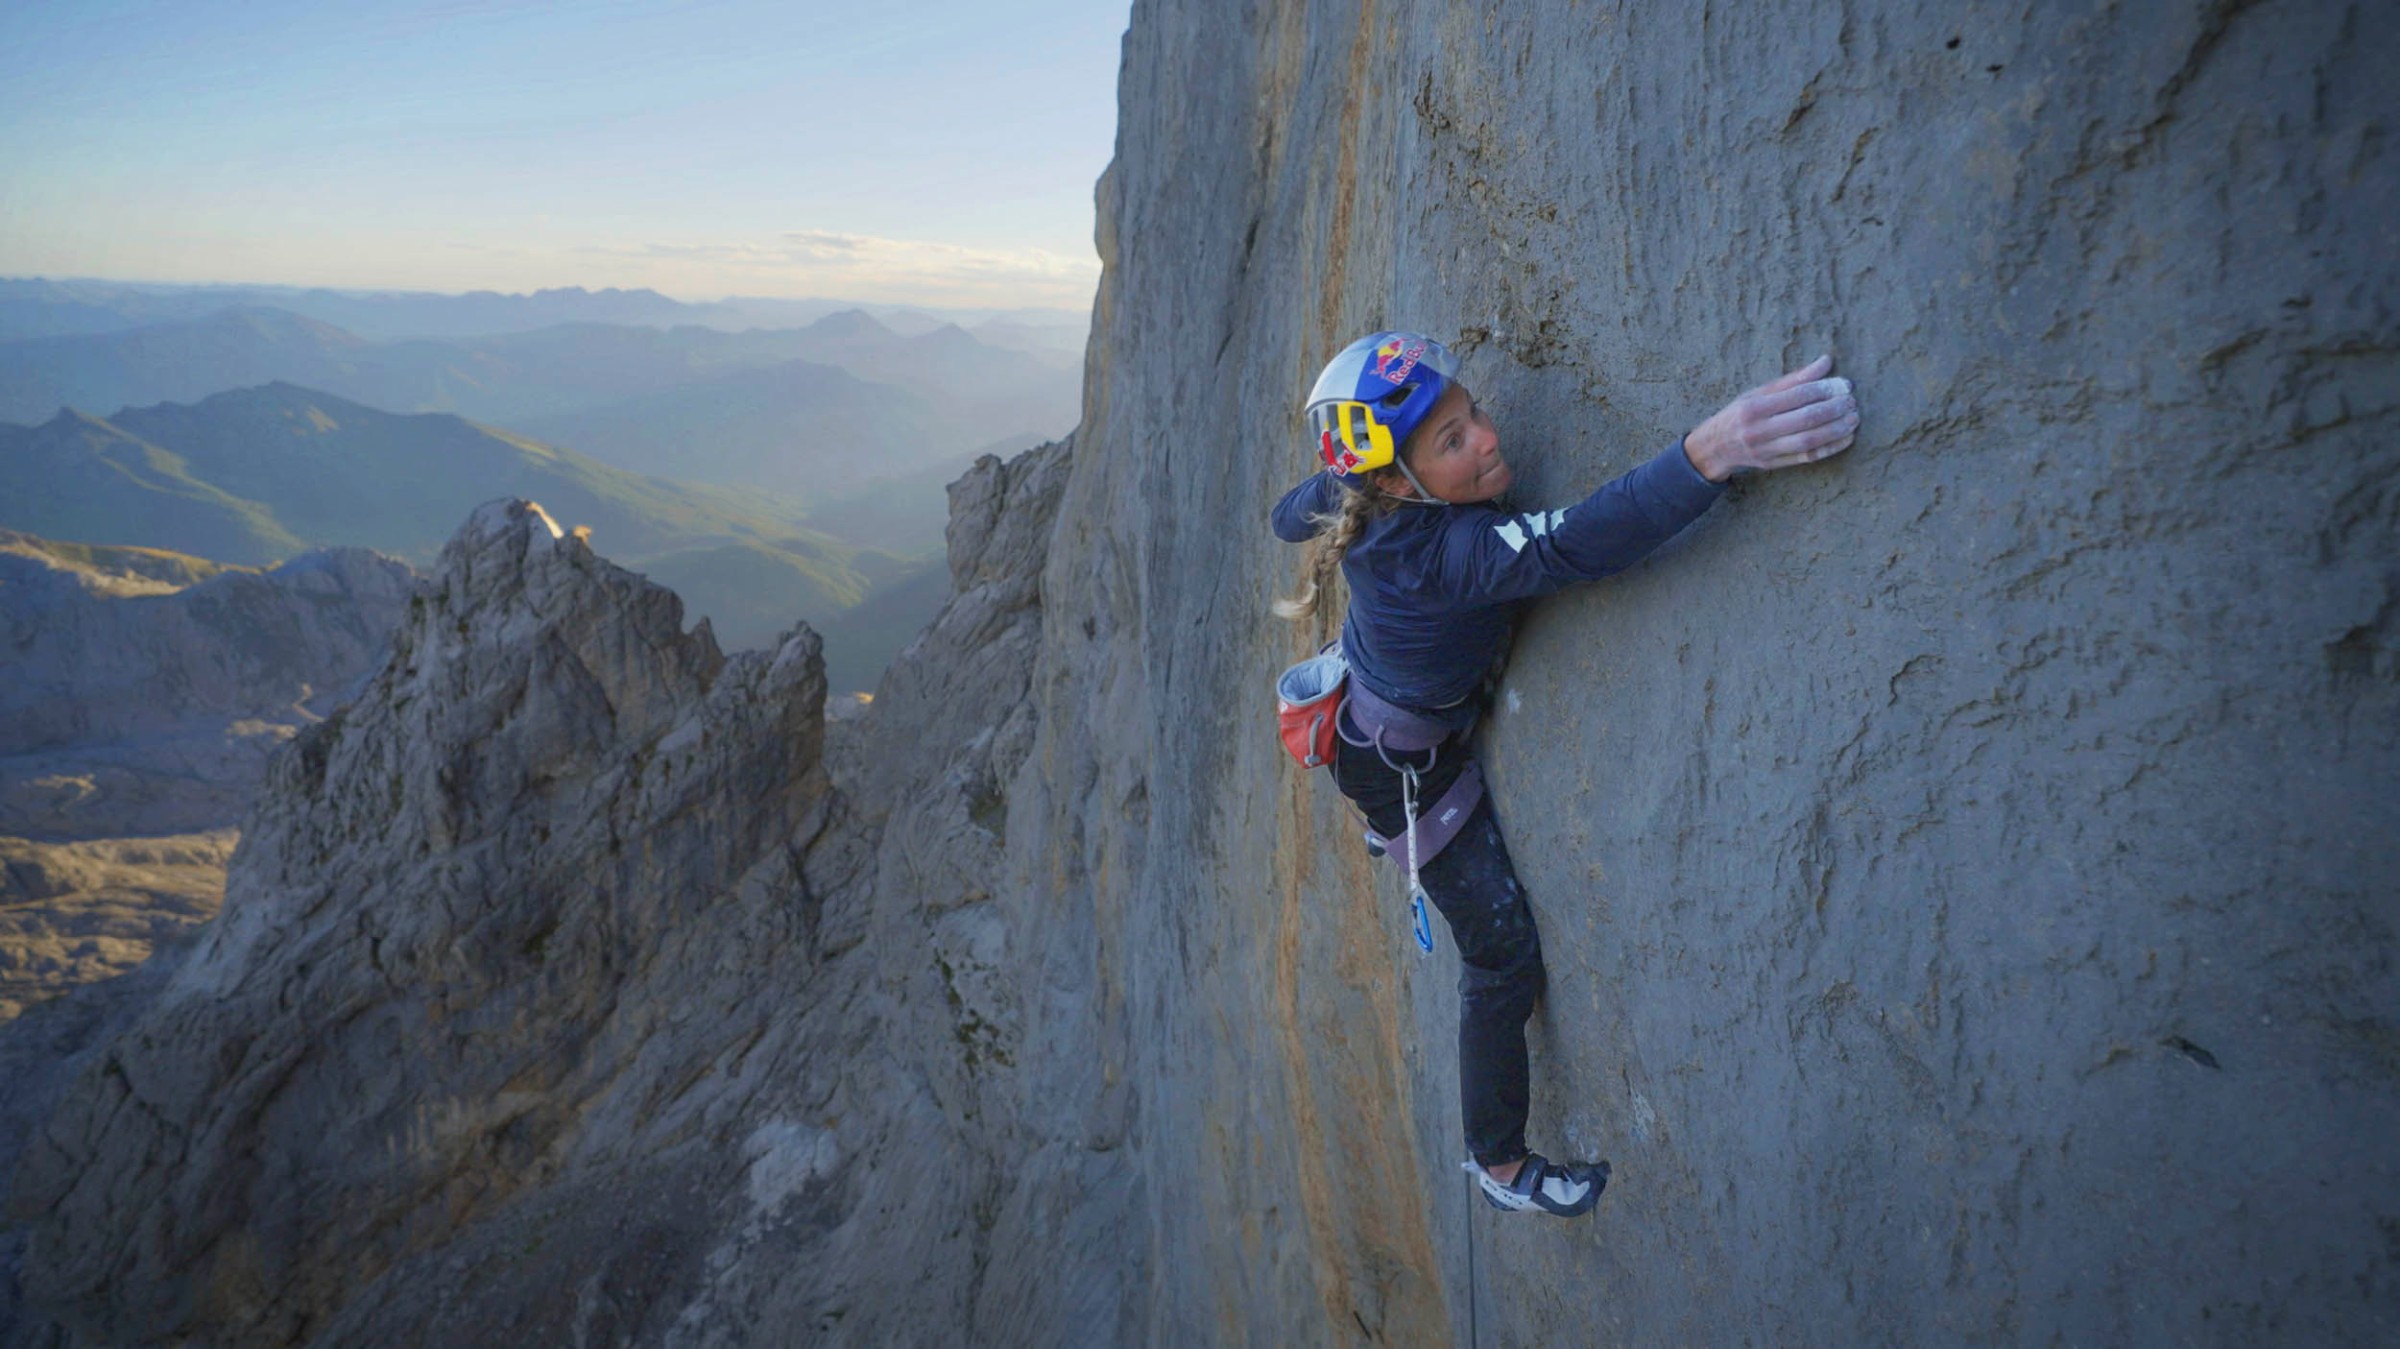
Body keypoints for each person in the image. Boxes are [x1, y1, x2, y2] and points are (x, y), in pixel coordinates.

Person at [1270, 331, 1859, 1216]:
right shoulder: (1450, 556)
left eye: (1473, 414)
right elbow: (1580, 541)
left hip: (1382, 713)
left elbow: (1291, 512)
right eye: (1454, 441)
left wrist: (1325, 489)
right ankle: (1498, 1165)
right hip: (1405, 770)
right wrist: (1715, 449)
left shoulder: (1359, 487)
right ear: (1398, 483)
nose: (1489, 438)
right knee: (1502, 957)